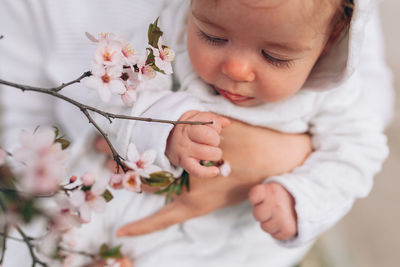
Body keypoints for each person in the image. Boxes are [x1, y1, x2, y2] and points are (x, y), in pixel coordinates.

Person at [0, 1, 393, 267]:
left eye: (275, 57)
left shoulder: (336, 92)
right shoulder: (166, 38)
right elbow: (117, 105)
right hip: (118, 224)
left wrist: (300, 199)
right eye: (213, 37)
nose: (236, 69)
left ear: (330, 41)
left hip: (235, 246)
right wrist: (168, 127)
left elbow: (358, 153)